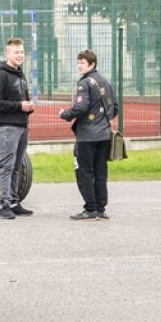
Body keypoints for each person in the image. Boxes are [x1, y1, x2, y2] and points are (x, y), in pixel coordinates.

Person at [59, 49, 119, 220]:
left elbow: (80, 107)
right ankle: (100, 208)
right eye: (78, 62)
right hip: (104, 135)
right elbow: (115, 107)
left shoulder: (84, 83)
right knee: (101, 171)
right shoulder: (105, 81)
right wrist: (103, 120)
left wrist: (64, 114)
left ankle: (90, 208)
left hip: (87, 136)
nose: (79, 66)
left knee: (84, 171)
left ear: (92, 64)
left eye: (82, 63)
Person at [0, 37, 34, 220]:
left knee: (16, 167)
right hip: (8, 127)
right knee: (6, 166)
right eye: (16, 52)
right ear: (7, 54)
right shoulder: (1, 75)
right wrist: (19, 106)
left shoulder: (20, 74)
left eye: (22, 52)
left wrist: (28, 107)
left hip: (22, 126)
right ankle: (4, 205)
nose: (20, 55)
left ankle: (14, 202)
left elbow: (21, 99)